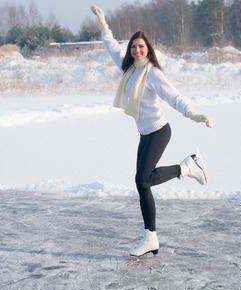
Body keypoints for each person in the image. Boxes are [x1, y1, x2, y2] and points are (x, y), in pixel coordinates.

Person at [90, 6, 214, 257]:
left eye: (141, 47)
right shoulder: (129, 69)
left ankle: (187, 168)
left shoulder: (153, 73)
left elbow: (174, 97)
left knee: (143, 179)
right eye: (134, 46)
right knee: (142, 184)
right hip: (145, 133)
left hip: (159, 131)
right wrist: (104, 25)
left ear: (148, 50)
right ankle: (151, 239)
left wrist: (193, 114)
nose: (137, 50)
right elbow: (112, 46)